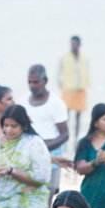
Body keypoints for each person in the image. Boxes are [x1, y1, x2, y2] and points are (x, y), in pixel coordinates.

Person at [22, 64, 69, 200]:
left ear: (45, 81)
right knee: (29, 196)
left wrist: (42, 147)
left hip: (52, 154)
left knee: (47, 196)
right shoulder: (23, 101)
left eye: (36, 82)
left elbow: (65, 134)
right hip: (28, 156)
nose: (32, 85)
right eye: (29, 82)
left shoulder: (56, 103)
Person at [58, 35, 90, 138]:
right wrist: (62, 85)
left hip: (81, 90)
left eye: (75, 44)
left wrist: (86, 84)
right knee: (65, 116)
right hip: (68, 90)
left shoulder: (84, 58)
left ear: (79, 44)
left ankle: (76, 138)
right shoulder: (64, 57)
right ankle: (65, 137)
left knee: (78, 117)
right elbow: (59, 74)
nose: (73, 46)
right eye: (72, 44)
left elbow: (87, 72)